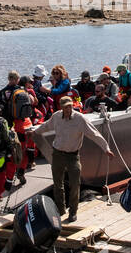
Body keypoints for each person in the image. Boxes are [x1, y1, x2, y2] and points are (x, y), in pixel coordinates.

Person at [34, 95, 114, 223]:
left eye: (70, 106)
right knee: (58, 184)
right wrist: (34, 132)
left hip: (73, 155)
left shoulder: (79, 119)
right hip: (58, 154)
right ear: (61, 107)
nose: (68, 109)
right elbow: (46, 126)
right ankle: (60, 210)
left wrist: (106, 149)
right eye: (66, 107)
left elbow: (94, 134)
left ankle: (73, 212)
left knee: (75, 184)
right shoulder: (56, 117)